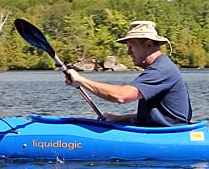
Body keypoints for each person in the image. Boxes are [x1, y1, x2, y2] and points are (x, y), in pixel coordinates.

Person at [64, 21, 192, 127]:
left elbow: (121, 96)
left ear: (148, 44)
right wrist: (119, 118)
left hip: (171, 136)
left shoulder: (160, 70)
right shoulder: (159, 67)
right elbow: (155, 117)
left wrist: (81, 80)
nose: (128, 52)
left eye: (131, 46)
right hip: (162, 132)